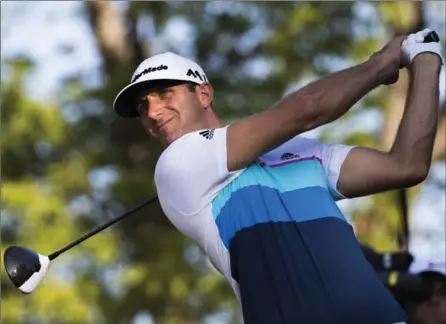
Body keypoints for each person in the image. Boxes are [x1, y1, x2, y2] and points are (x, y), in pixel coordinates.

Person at [113, 29, 444, 323]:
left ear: (203, 94)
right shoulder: (176, 164)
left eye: (164, 94)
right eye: (143, 106)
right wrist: (379, 65)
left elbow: (406, 166)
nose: (153, 112)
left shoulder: (301, 152)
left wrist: (427, 61)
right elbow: (305, 110)